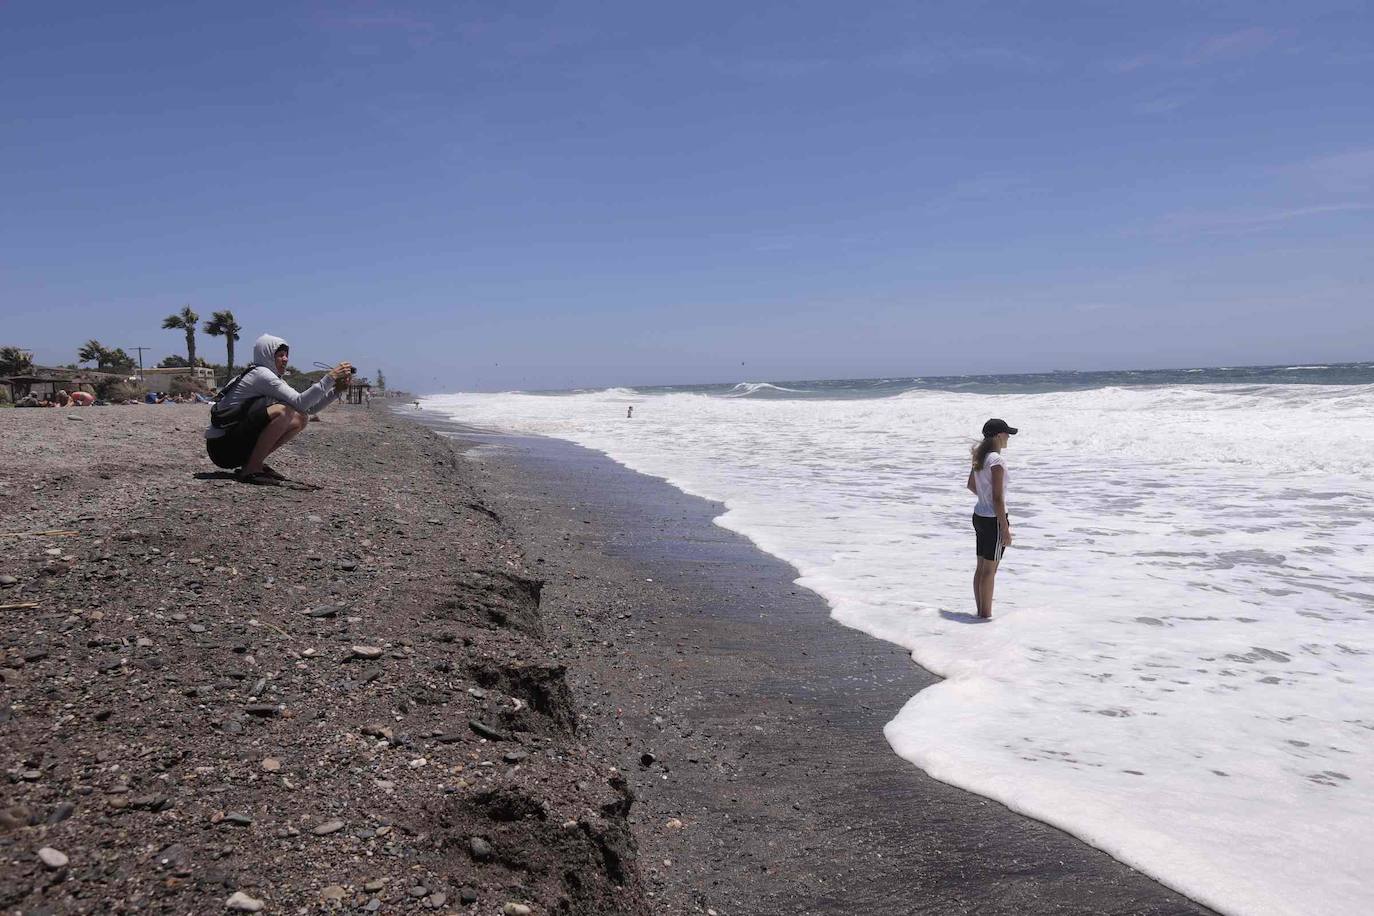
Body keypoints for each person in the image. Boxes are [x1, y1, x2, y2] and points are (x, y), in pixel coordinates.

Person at [204, 333, 352, 484]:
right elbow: (301, 402)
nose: (286, 359)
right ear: (267, 355)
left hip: (232, 443)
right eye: (280, 355)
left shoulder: (269, 376)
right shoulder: (261, 374)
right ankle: (251, 469)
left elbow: (307, 408)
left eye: (286, 355)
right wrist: (330, 377)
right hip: (222, 447)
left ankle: (253, 462)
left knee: (300, 418)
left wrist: (336, 391)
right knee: (284, 411)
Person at [967, 418, 1017, 619]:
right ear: (998, 435)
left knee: (981, 567)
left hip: (979, 515)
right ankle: (985, 616)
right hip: (993, 519)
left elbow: (971, 485)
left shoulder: (980, 456)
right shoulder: (996, 460)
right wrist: (1005, 528)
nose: (1008, 438)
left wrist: (984, 498)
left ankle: (981, 613)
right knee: (990, 570)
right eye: (1007, 434)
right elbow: (998, 498)